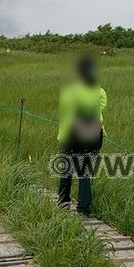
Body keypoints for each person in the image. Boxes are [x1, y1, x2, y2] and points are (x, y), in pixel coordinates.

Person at [56, 55, 107, 215]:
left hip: (70, 135)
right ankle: (83, 208)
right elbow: (102, 108)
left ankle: (63, 204)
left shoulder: (69, 91)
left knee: (66, 170)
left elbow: (65, 107)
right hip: (92, 135)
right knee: (85, 173)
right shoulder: (100, 91)